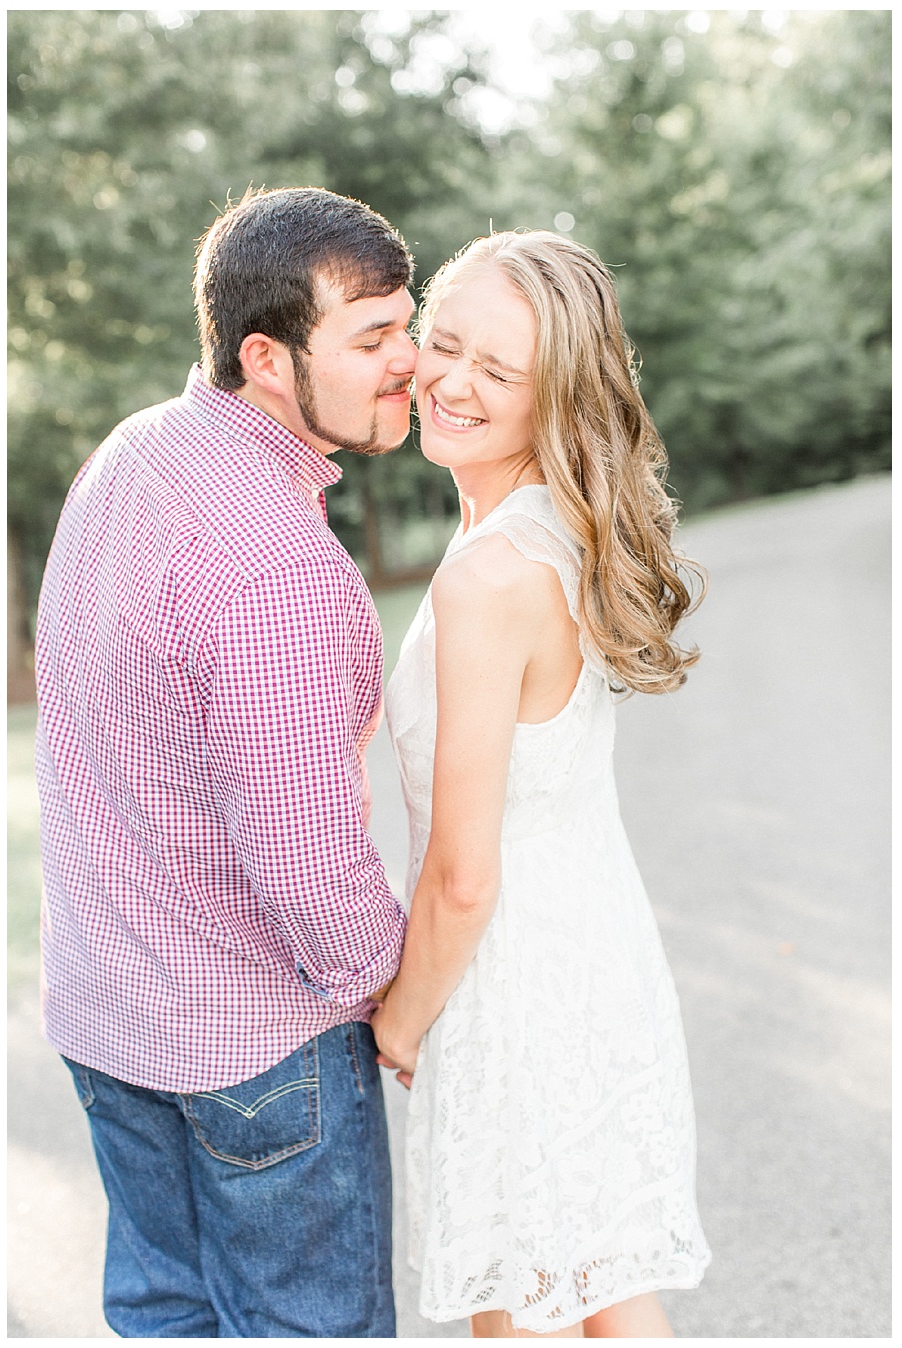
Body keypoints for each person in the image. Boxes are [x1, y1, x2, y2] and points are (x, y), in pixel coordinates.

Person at [34, 186, 419, 1336]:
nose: (410, 361)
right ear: (267, 357)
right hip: (260, 1051)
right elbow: (306, 860)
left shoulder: (132, 454)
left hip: (106, 1016)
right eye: (372, 339)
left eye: (406, 326)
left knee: (167, 1319)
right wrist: (394, 996)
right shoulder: (277, 566)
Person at [371, 230, 711, 1337]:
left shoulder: (491, 577)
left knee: (520, 1315)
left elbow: (463, 875)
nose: (452, 381)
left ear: (553, 396)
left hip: (515, 988)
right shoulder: (554, 532)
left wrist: (400, 1024)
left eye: (498, 370)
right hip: (595, 958)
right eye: (444, 342)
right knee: (608, 1295)